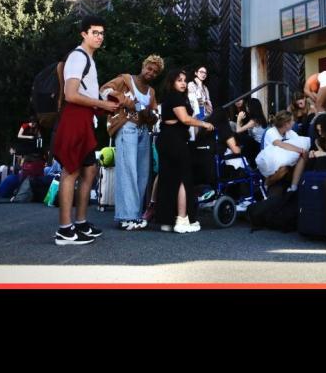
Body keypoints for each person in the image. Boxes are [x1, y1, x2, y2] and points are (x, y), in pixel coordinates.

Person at [52, 15, 120, 246]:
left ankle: (80, 223)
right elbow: (71, 95)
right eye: (94, 33)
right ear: (84, 34)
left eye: (101, 33)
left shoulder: (88, 58)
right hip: (75, 118)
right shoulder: (78, 57)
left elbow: (86, 92)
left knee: (89, 170)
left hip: (85, 118)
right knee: (70, 170)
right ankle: (64, 230)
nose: (99, 37)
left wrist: (103, 102)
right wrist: (103, 104)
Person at [100, 55, 164, 231]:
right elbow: (104, 90)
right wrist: (128, 101)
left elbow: (155, 114)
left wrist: (150, 115)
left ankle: (134, 215)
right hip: (126, 127)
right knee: (128, 171)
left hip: (143, 131)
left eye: (155, 72)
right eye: (149, 68)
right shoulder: (126, 79)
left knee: (142, 174)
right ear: (143, 66)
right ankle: (126, 217)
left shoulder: (151, 92)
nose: (151, 73)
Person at [156, 68, 214, 234]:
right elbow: (185, 119)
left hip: (167, 139)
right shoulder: (175, 97)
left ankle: (167, 220)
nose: (183, 83)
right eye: (179, 80)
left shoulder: (170, 97)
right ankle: (182, 219)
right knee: (183, 178)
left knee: (168, 178)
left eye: (184, 80)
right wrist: (204, 124)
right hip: (175, 140)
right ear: (172, 82)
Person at [255, 110, 310, 191]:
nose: (294, 123)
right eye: (292, 121)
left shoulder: (291, 133)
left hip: (286, 161)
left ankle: (293, 187)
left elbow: (299, 143)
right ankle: (266, 184)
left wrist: (304, 152)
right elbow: (280, 144)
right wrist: (300, 150)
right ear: (286, 124)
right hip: (270, 163)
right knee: (284, 168)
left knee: (301, 156)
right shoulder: (271, 131)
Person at [234, 98, 268, 162]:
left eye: (247, 106)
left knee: (242, 137)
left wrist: (238, 118)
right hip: (260, 145)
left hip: (258, 147)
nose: (246, 108)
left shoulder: (254, 121)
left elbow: (238, 131)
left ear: (251, 108)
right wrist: (241, 120)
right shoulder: (260, 118)